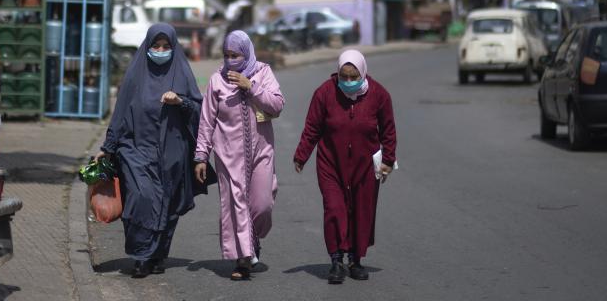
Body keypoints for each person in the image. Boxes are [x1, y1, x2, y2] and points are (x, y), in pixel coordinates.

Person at [95, 23, 210, 278]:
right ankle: (140, 255)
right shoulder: (136, 74)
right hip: (135, 148)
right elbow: (121, 111)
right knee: (140, 197)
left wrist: (180, 101)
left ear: (173, 48)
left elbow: (199, 111)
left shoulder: (181, 72)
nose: (160, 50)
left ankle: (158, 254)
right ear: (147, 47)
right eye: (155, 46)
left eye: (166, 46)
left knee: (168, 206)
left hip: (171, 152)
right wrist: (109, 146)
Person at [293, 50, 397, 285]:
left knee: (362, 211)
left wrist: (388, 160)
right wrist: (301, 155)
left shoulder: (379, 95)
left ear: (363, 73)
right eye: (344, 76)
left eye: (353, 77)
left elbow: (388, 130)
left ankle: (355, 259)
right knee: (334, 209)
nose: (348, 82)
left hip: (364, 166)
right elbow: (312, 127)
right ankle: (336, 260)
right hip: (331, 163)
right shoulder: (325, 93)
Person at [194, 30, 285, 280]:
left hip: (261, 151)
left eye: (236, 55)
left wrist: (251, 86)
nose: (231, 60)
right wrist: (201, 155)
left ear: (246, 53)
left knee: (262, 205)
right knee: (236, 205)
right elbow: (206, 120)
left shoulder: (263, 73)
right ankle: (243, 259)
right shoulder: (216, 81)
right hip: (228, 154)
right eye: (227, 55)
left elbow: (277, 105)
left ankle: (252, 240)